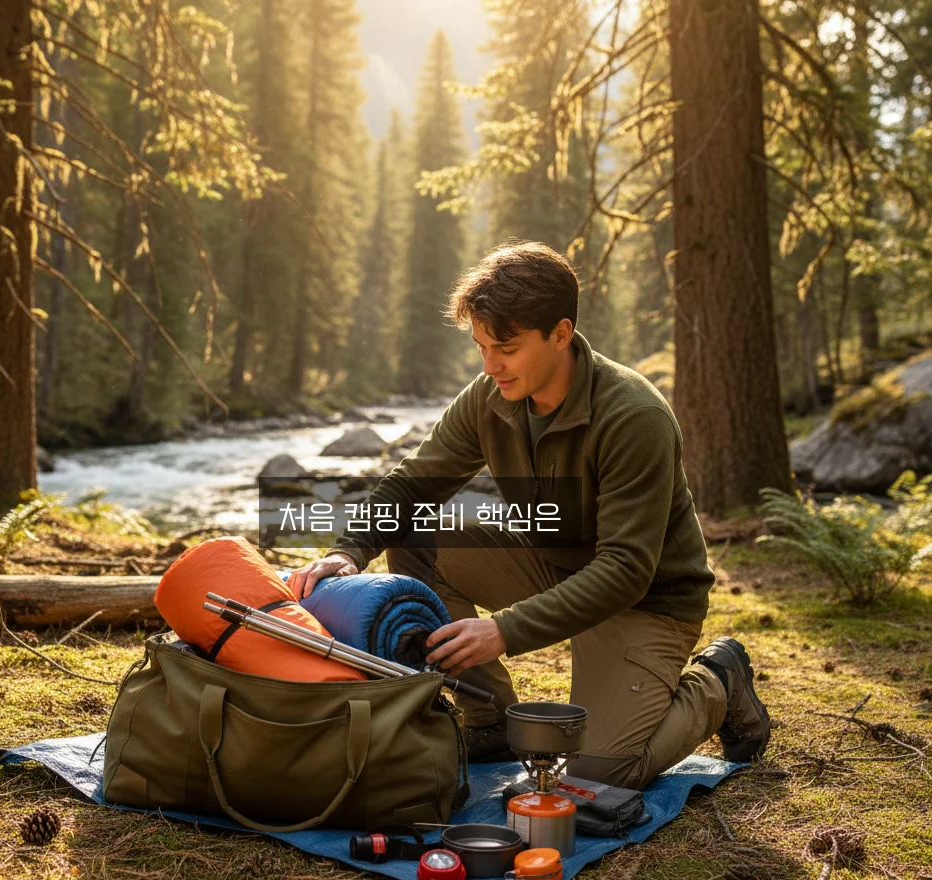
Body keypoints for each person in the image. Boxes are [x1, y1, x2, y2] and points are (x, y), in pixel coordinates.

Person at [289, 241, 770, 788]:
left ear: (560, 334)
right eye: (481, 347)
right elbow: (413, 483)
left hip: (647, 600)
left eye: (507, 348)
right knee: (417, 534)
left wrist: (504, 630)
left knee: (601, 774)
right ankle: (490, 718)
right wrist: (347, 551)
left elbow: (626, 569)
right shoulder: (490, 396)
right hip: (551, 562)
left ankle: (719, 681)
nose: (490, 365)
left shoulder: (633, 415)